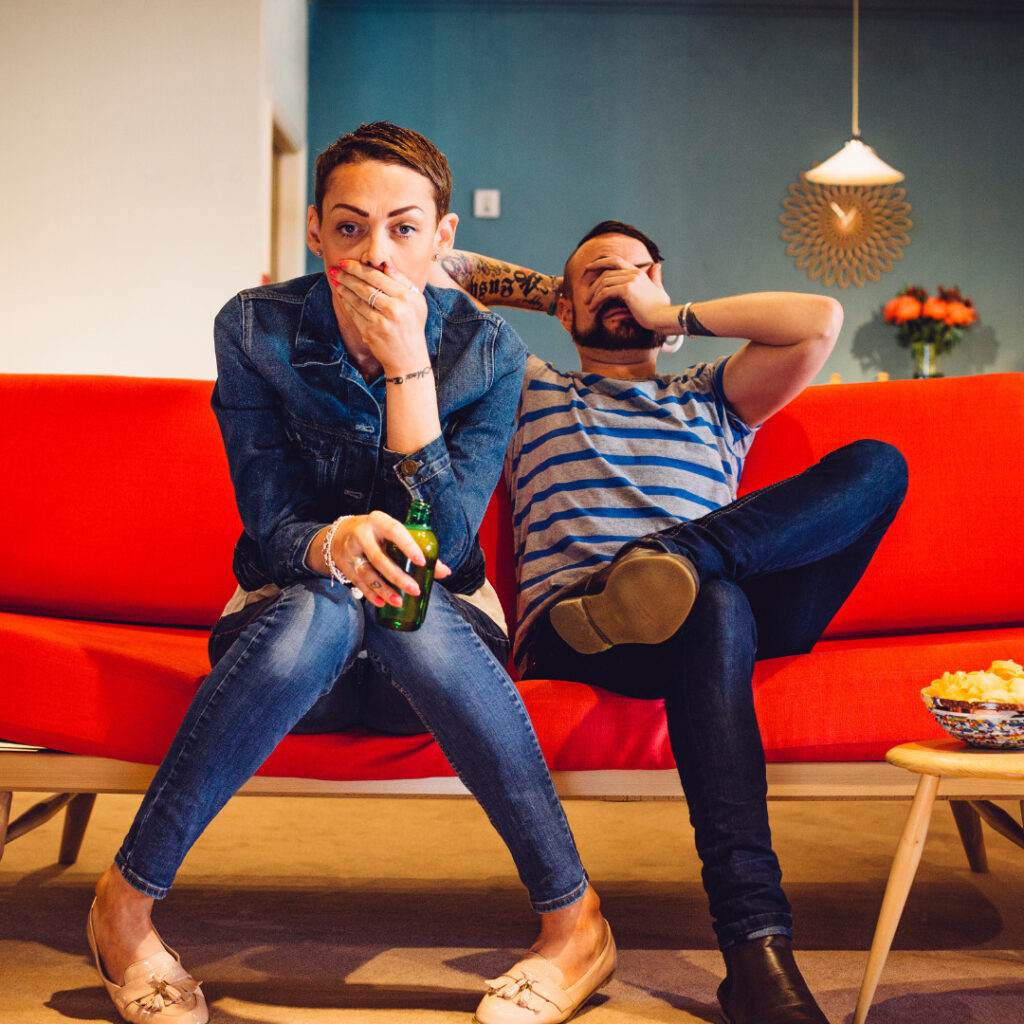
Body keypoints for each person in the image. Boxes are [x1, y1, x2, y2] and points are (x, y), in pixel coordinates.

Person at [85, 124, 614, 1024]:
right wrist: (332, 548)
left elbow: (443, 542)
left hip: (434, 653)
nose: (375, 255)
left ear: (445, 241)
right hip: (291, 638)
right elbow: (271, 520)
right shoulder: (253, 330)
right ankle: (124, 911)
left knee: (401, 600)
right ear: (313, 232)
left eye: (405, 229)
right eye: (350, 228)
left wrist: (410, 365)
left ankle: (575, 927)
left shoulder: (485, 353)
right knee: (334, 601)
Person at [436, 222, 908, 1024]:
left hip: (716, 597)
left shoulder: (711, 394)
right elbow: (433, 270)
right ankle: (756, 950)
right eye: (593, 276)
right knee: (713, 603)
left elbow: (819, 319)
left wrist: (670, 311)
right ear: (563, 301)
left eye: (632, 270)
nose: (614, 282)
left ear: (658, 280)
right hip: (583, 621)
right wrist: (565, 293)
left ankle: (681, 557)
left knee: (878, 464)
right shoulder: (534, 385)